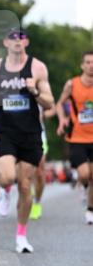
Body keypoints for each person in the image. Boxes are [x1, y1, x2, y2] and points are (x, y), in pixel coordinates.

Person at [0, 27, 55, 253]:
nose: (17, 41)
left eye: (21, 37)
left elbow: (49, 102)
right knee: (7, 176)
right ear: (6, 42)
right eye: (13, 38)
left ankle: (21, 236)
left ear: (27, 42)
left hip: (30, 134)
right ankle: (5, 190)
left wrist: (34, 91)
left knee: (25, 185)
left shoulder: (37, 67)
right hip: (6, 131)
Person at [56, 49, 93, 225]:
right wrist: (62, 120)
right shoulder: (72, 84)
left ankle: (90, 211)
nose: (91, 66)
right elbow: (59, 103)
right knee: (85, 174)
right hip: (77, 137)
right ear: (82, 65)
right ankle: (84, 186)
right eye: (87, 62)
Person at [30, 105, 57, 219]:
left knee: (40, 173)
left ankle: (37, 201)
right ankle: (27, 194)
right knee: (24, 171)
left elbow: (53, 108)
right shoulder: (13, 88)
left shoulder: (38, 88)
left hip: (38, 135)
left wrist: (43, 115)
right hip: (18, 134)